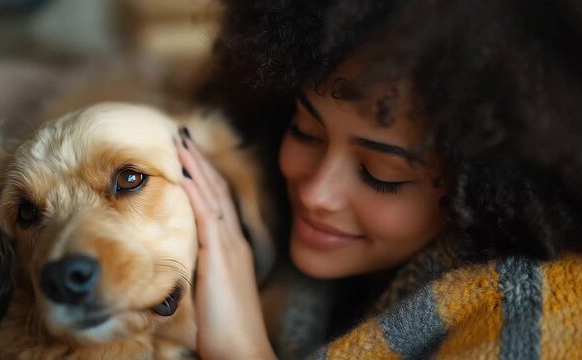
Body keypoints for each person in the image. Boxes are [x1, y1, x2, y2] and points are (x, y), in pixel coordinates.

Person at [178, 0, 582, 359]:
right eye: (305, 131)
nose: (318, 193)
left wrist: (240, 350)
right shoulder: (258, 219)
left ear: (484, 191)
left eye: (380, 175)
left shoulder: (530, 315)